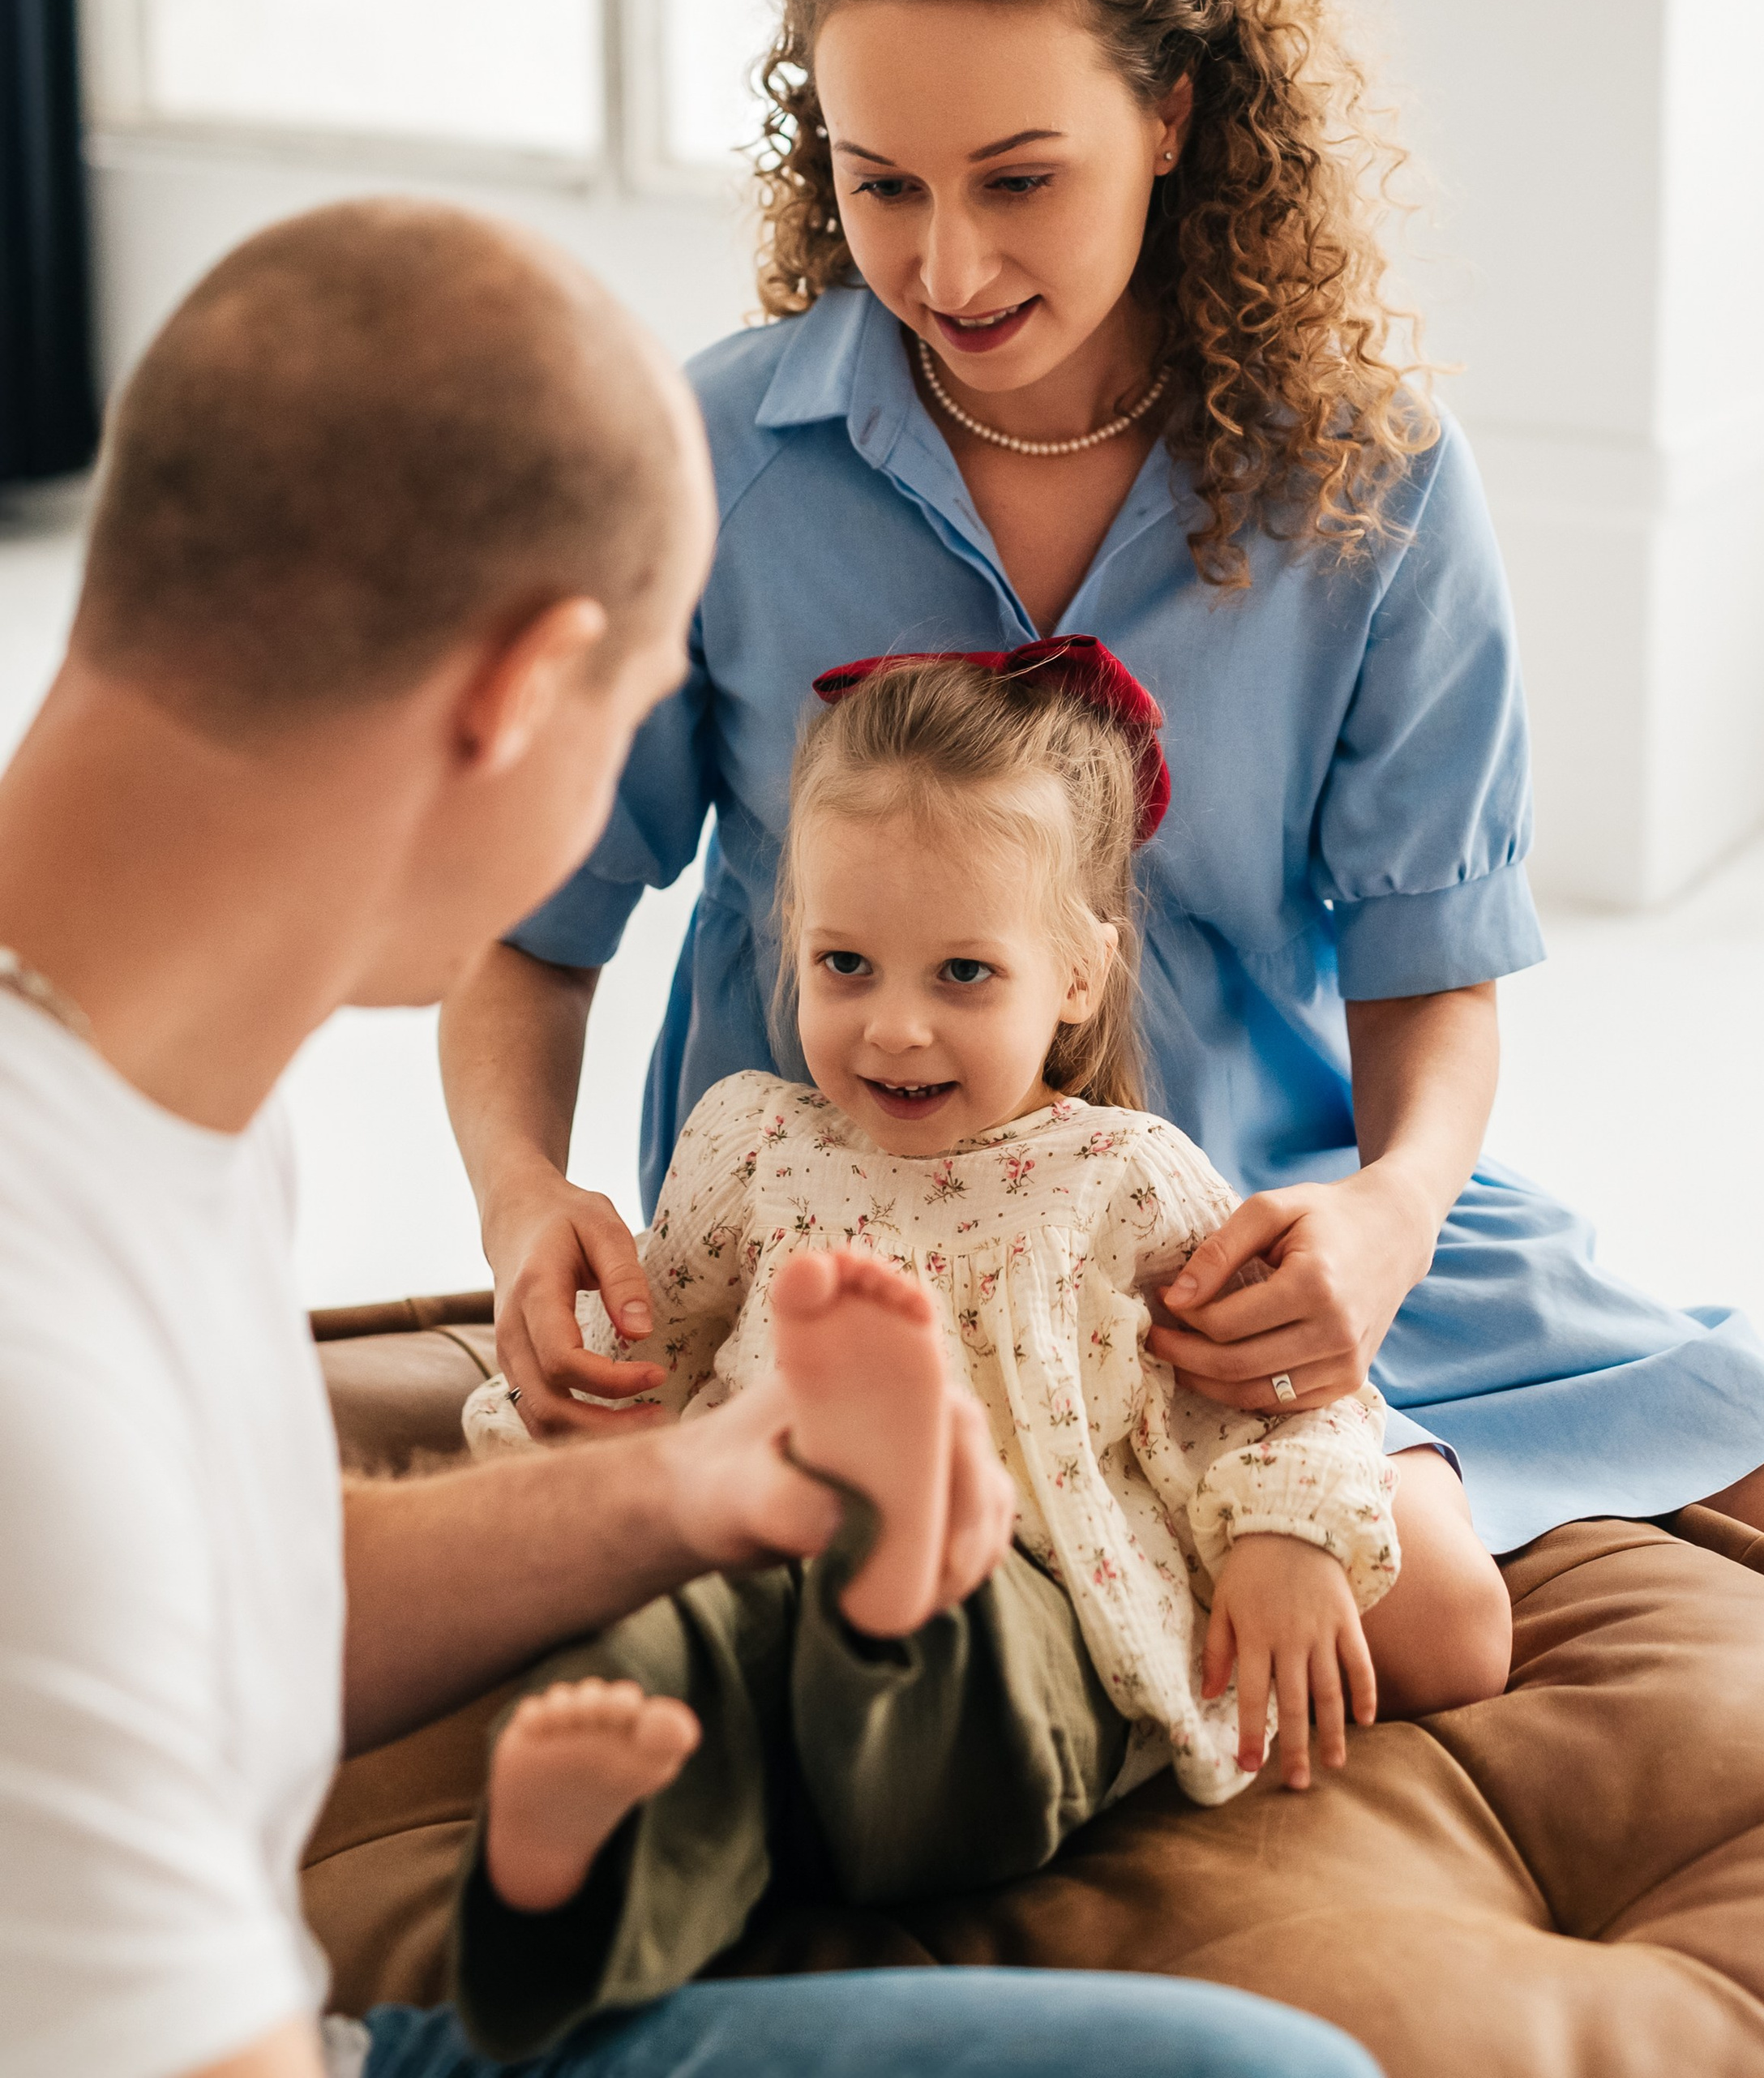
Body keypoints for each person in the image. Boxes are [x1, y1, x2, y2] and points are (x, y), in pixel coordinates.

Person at [441, 0, 1764, 1639]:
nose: (945, 266)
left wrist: (1390, 1219)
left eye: (1018, 180)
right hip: (884, 1238)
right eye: (881, 183)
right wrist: (519, 1201)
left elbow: (1433, 969)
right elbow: (524, 937)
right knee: (1422, 1617)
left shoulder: (1376, 484)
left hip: (1276, 1222)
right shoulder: (712, 464)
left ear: (1171, 119)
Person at [0, 199, 1381, 2078]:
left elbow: (189, 1600)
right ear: (513, 697)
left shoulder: (129, 1096)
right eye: (643, 699)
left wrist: (692, 1487)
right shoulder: (36, 1368)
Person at [447, 642, 1488, 2059]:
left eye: (963, 973)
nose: (893, 1024)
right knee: (665, 1649)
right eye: (846, 963)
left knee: (969, 1651)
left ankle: (906, 1563)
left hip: (1029, 1612)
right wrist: (571, 1423)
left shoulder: (1130, 1178)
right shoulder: (753, 1141)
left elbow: (1288, 1398)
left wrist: (1289, 1541)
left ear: (1076, 973)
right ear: (794, 939)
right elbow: (660, 1351)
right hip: (761, 1564)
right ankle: (552, 1903)